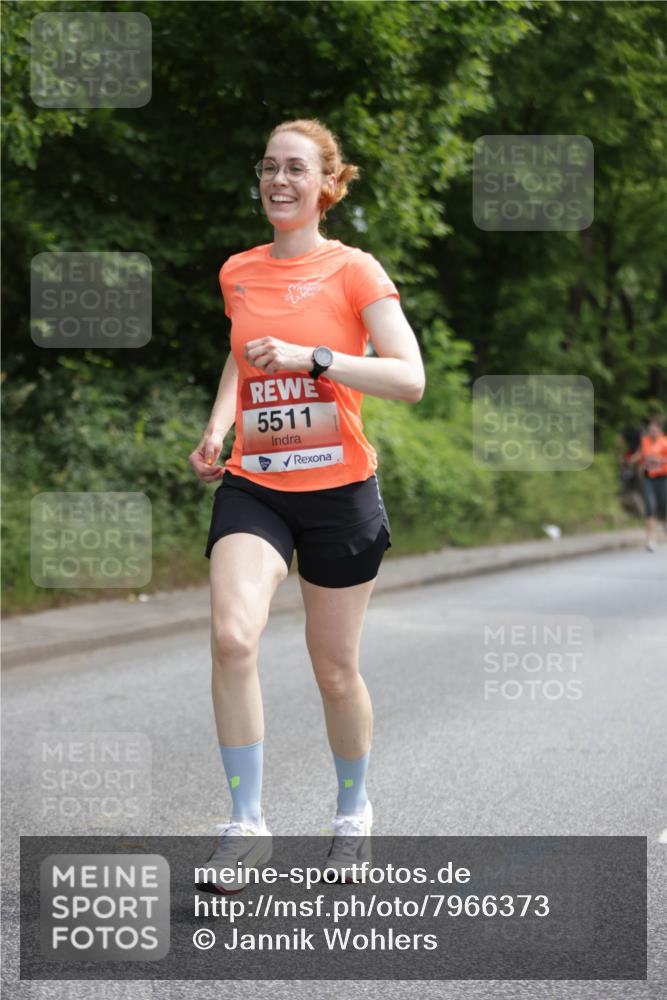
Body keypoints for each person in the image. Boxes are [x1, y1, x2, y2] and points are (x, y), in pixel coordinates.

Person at [188, 118, 425, 891]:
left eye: (294, 168)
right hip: (256, 484)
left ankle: (352, 814)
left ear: (327, 183)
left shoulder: (354, 271)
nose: (278, 180)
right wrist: (218, 427)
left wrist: (315, 358)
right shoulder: (238, 271)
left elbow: (409, 377)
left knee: (334, 671)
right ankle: (245, 825)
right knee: (232, 638)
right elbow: (240, 354)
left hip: (340, 492)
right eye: (267, 167)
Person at [630, 414, 667, 552]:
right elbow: (641, 454)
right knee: (650, 506)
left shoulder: (664, 442)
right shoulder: (645, 441)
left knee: (663, 506)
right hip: (648, 478)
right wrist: (632, 459)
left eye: (654, 431)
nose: (652, 433)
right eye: (650, 430)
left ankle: (664, 521)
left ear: (660, 430)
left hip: (663, 478)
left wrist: (660, 460)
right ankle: (650, 539)